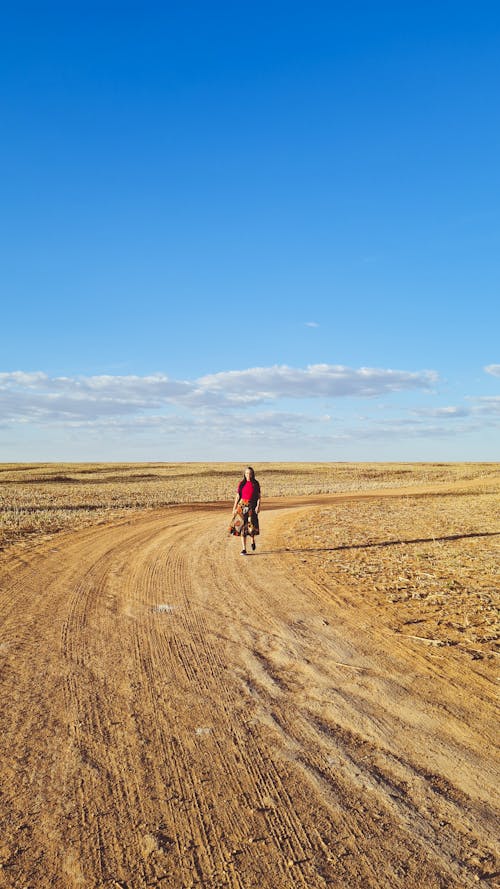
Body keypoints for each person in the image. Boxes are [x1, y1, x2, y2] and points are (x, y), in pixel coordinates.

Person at [229, 466, 261, 554]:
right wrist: (234, 508)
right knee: (242, 527)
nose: (248, 475)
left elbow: (258, 497)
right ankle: (244, 549)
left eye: (250, 473)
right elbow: (238, 496)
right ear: (244, 474)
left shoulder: (256, 483)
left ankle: (252, 540)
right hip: (242, 505)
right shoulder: (241, 483)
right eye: (247, 473)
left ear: (252, 474)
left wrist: (258, 506)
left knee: (251, 526)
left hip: (252, 506)